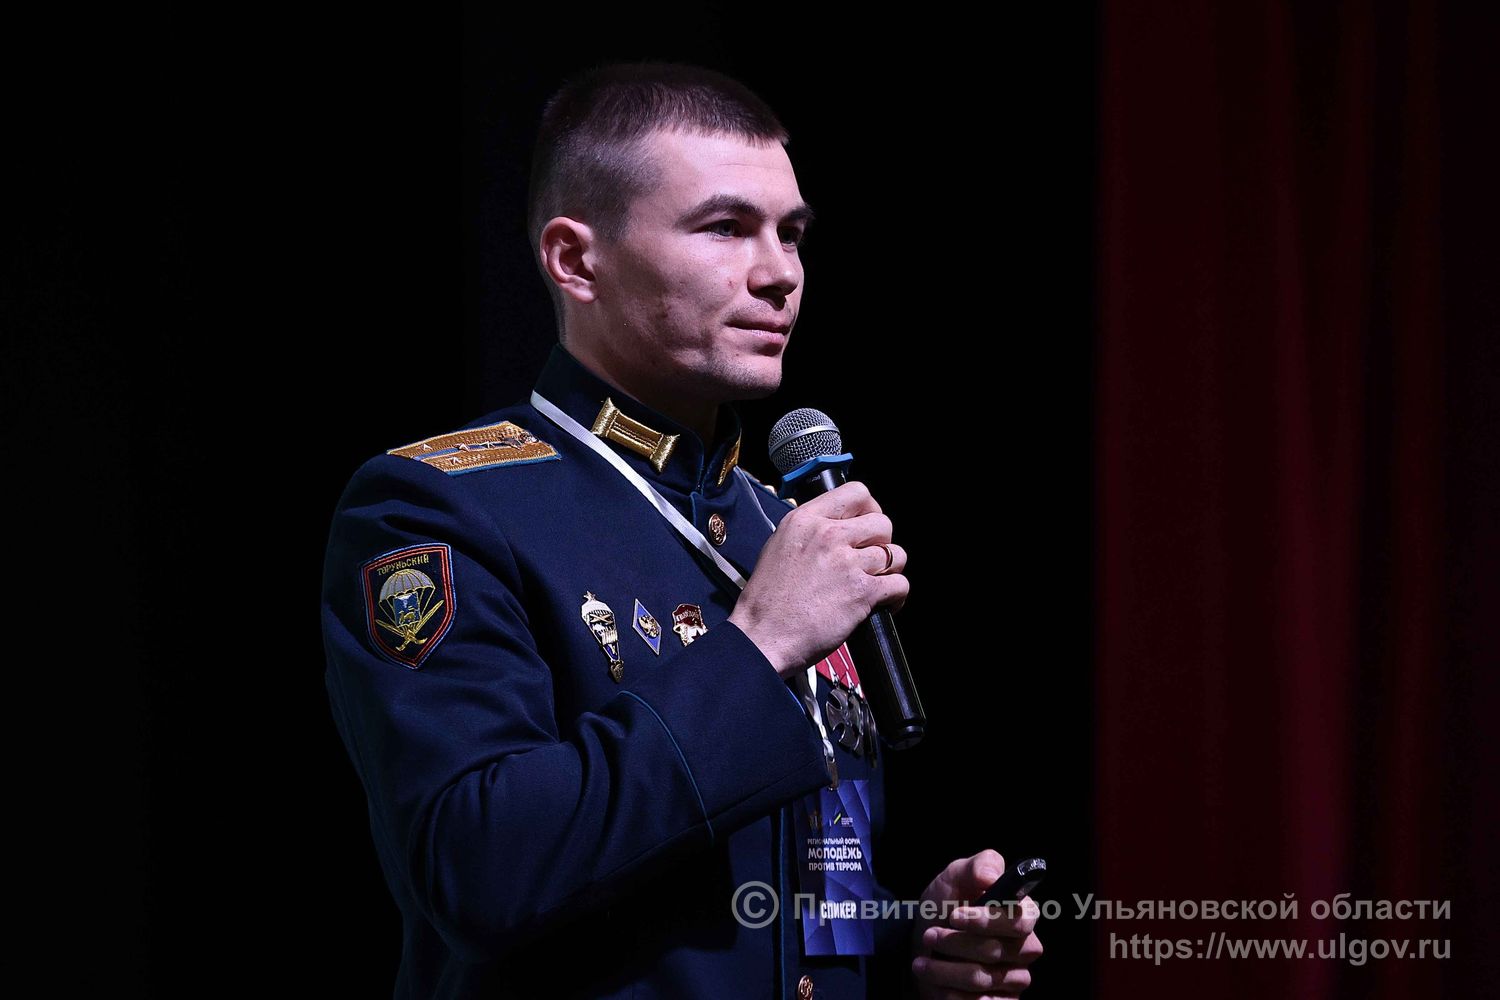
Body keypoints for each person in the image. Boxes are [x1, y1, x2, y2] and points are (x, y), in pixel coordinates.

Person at [321, 61, 1042, 998]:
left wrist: (909, 950)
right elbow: (478, 867)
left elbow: (759, 905)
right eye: (725, 228)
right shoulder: (439, 509)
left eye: (791, 232)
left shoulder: (777, 519)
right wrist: (760, 644)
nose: (780, 273)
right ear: (576, 260)